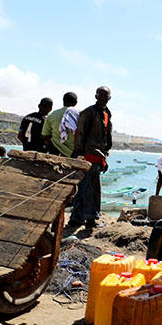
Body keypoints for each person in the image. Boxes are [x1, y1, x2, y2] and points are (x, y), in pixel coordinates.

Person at [68, 87, 112, 229]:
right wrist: (79, 154)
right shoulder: (88, 112)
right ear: (96, 96)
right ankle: (90, 219)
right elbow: (79, 134)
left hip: (98, 157)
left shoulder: (106, 114)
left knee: (87, 187)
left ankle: (77, 218)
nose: (103, 98)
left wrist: (104, 157)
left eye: (106, 96)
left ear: (109, 98)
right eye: (101, 96)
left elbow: (106, 137)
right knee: (89, 189)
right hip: (87, 156)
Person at [41, 92, 78, 157]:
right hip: (74, 153)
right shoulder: (81, 115)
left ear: (63, 102)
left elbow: (45, 135)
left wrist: (51, 145)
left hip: (55, 150)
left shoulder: (52, 115)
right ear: (76, 103)